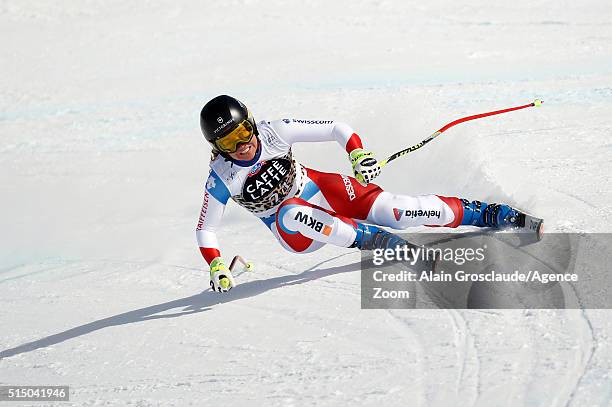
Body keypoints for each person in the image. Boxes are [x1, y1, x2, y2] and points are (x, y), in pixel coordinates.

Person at [197, 95, 533, 292]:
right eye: (228, 142)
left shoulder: (275, 131)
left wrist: (358, 154)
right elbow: (206, 229)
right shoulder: (221, 177)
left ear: (252, 123)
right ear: (217, 147)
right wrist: (216, 266)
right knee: (291, 211)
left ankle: (488, 213)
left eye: (242, 132)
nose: (242, 146)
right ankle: (382, 244)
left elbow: (336, 129)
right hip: (294, 230)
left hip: (319, 187)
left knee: (398, 212)